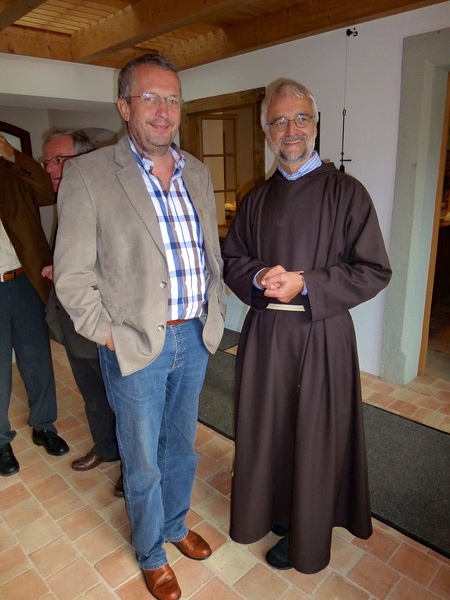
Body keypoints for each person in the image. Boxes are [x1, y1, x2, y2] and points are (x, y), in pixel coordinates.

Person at [53, 54, 225, 600]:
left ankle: (174, 524)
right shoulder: (88, 175)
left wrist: (215, 308)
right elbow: (72, 276)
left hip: (193, 335)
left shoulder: (198, 172)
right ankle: (151, 551)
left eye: (172, 99)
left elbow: (210, 254)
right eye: (150, 98)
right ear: (125, 106)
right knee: (143, 458)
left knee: (182, 445)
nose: (163, 111)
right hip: (134, 343)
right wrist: (109, 334)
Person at [221, 80, 392, 574]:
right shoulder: (255, 198)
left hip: (322, 335)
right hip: (266, 336)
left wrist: (308, 283)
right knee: (269, 430)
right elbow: (232, 260)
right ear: (266, 131)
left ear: (316, 124)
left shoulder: (347, 193)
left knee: (314, 436)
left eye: (300, 118)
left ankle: (307, 530)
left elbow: (374, 270)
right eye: (279, 120)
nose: (290, 129)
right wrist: (258, 277)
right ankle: (275, 507)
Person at [41, 130, 122, 496]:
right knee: (92, 395)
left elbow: (119, 262)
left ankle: (131, 465)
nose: (51, 169)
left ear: (85, 160)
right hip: (73, 321)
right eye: (48, 161)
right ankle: (106, 447)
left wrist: (69, 271)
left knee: (120, 400)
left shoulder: (105, 197)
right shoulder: (66, 198)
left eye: (60, 160)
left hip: (101, 321)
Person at [0, 134, 69, 477]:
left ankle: (44, 425)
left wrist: (13, 156)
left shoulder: (12, 172)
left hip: (24, 281)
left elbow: (47, 193)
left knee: (37, 359)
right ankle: (0, 440)